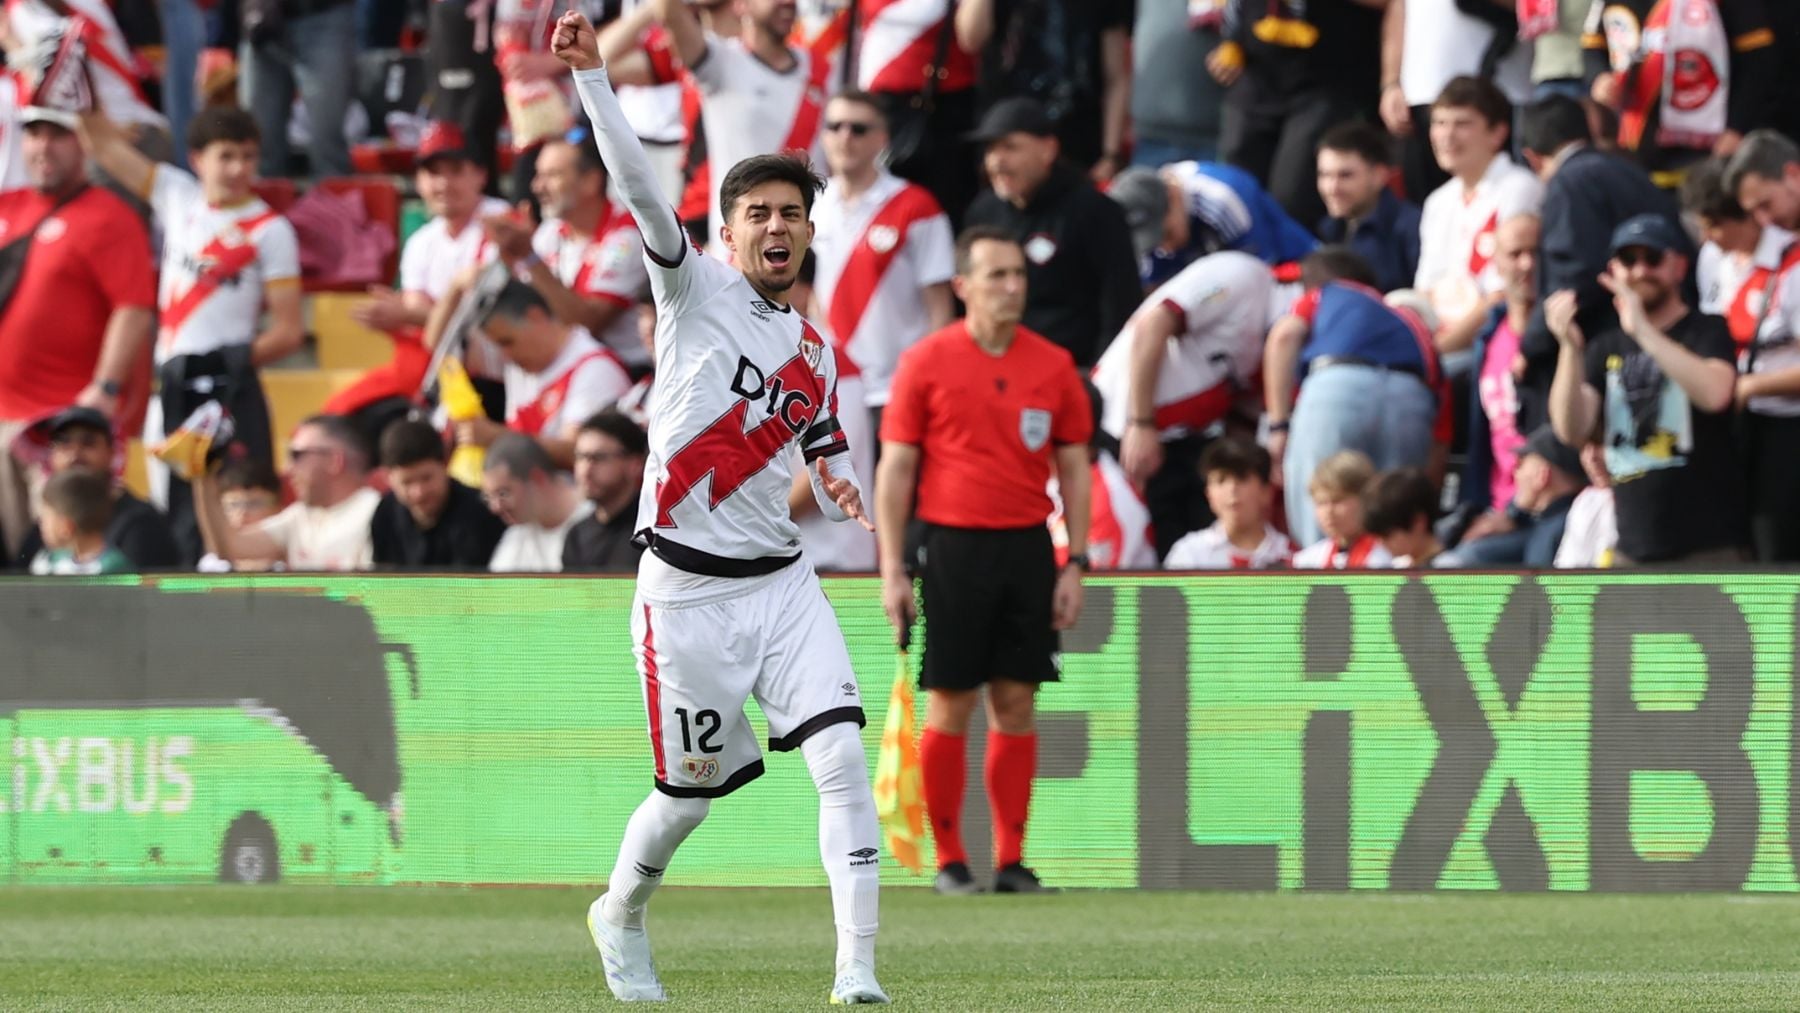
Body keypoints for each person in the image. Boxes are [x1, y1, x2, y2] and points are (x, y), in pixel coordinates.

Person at [556, 14, 888, 1004]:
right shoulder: (690, 288)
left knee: (840, 755)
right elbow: (636, 184)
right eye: (760, 214)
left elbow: (811, 418)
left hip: (782, 583)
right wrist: (590, 82)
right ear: (730, 228)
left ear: (808, 230)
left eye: (792, 212)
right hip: (686, 594)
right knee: (685, 798)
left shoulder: (816, 348)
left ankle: (858, 973)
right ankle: (618, 909)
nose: (777, 227)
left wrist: (829, 469)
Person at [875, 226, 1092, 896]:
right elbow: (896, 469)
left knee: (1017, 699)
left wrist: (1075, 559)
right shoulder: (925, 361)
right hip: (951, 546)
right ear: (963, 284)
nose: (1011, 286)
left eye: (1018, 274)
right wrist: (890, 566)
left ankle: (1013, 858)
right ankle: (950, 859)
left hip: (1027, 543)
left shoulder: (1053, 365)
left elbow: (1075, 467)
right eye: (996, 275)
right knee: (950, 701)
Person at [79, 105, 302, 565]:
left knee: (240, 507)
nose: (239, 169)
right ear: (197, 159)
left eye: (248, 157)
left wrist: (225, 362)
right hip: (173, 388)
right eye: (226, 156)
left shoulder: (271, 230)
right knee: (177, 512)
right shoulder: (175, 195)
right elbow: (101, 145)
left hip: (231, 392)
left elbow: (288, 332)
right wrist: (77, 94)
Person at [799, 90, 956, 571]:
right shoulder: (809, 208)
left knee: (897, 515)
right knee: (842, 511)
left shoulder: (915, 205)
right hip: (833, 390)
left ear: (882, 139)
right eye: (836, 127)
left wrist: (932, 389)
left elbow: (940, 308)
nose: (845, 137)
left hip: (894, 391)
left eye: (860, 128)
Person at [0, 106, 154, 561]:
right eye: (34, 134)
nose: (43, 146)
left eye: (58, 135)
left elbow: (134, 307)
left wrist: (104, 388)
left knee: (55, 553)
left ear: (84, 141)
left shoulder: (110, 216)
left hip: (58, 428)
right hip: (2, 419)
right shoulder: (10, 207)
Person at [1546, 213, 1746, 564]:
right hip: (1632, 544)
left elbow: (1716, 394)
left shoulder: (1706, 329)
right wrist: (1569, 349)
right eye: (1628, 260)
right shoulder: (1605, 345)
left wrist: (1643, 332)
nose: (1640, 271)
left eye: (1652, 259)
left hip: (1708, 544)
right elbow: (1571, 427)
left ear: (1679, 267)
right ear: (1613, 270)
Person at [1092, 250, 1282, 559]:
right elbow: (1153, 323)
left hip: (1183, 439)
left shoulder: (1267, 346)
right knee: (1128, 541)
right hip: (1122, 425)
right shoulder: (1243, 277)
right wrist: (1140, 422)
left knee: (1185, 543)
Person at [1264, 247, 1443, 548]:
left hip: (1338, 384)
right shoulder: (1412, 323)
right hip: (1412, 399)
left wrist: (1278, 426)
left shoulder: (1329, 293)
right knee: (1393, 527)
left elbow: (1284, 337)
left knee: (1323, 506)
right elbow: (1440, 439)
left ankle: (1320, 582)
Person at [1517, 95, 1673, 430]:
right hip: (1663, 333)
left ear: (1533, 158)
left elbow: (1574, 276)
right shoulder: (1626, 169)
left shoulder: (1569, 181)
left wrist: (1530, 346)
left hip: (1612, 345)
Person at [963, 97, 1141, 367]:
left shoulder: (1094, 211)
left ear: (1048, 150)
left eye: (1010, 148)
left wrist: (1099, 379)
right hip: (995, 368)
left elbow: (1119, 305)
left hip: (1072, 371)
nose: (997, 161)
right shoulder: (983, 212)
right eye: (990, 150)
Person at [650, 0, 830, 258]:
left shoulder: (820, 68)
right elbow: (668, 10)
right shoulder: (720, 61)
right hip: (741, 247)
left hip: (809, 243)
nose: (788, 3)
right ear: (741, 5)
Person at [358, 121, 513, 414]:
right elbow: (427, 321)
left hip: (504, 376)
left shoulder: (500, 222)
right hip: (452, 375)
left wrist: (405, 314)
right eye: (433, 173)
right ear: (418, 181)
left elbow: (488, 315)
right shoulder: (422, 241)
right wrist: (412, 313)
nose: (443, 184)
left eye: (456, 171)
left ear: (481, 175)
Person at [1204, 0, 1382, 228]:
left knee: (1293, 196)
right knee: (1236, 194)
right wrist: (1231, 40)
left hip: (1324, 81)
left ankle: (1295, 263)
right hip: (1255, 79)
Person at [483, 136, 651, 370]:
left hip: (626, 371)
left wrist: (528, 256)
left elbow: (587, 323)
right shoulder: (552, 231)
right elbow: (529, 305)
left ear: (591, 181)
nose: (536, 187)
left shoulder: (626, 238)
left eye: (552, 175)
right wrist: (508, 258)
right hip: (570, 366)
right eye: (538, 175)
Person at [1414, 76, 1544, 359]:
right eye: (1440, 123)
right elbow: (1425, 290)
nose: (1447, 135)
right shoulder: (1438, 202)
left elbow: (1503, 296)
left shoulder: (1519, 188)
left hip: (1492, 342)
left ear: (1497, 133)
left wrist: (1434, 355)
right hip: (1441, 342)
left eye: (1462, 124)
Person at [1581, 0, 1776, 186]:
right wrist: (1599, 78)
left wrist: (1736, 127)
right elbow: (1592, 46)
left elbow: (1757, 62)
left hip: (1709, 146)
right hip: (1636, 144)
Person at [453, 280, 633, 469]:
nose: (505, 356)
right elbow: (437, 350)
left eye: (507, 342)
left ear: (535, 317)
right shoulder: (520, 366)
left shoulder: (595, 370)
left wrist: (498, 438)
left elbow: (578, 456)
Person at [954, 0, 1134, 178]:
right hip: (1003, 139)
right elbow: (970, 39)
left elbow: (1116, 77)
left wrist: (1111, 155)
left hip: (1077, 143)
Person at [194, 414, 381, 572]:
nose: (289, 468)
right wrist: (202, 473)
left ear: (334, 461)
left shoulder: (376, 514)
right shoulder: (300, 516)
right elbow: (230, 547)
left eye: (297, 455)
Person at [852, 0, 981, 224]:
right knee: (872, 212)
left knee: (939, 212)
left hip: (941, 112)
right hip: (876, 105)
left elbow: (973, 38)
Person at [8, 406, 179, 572]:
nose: (75, 453)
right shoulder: (44, 527)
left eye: (88, 442)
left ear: (111, 452)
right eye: (64, 442)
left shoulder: (140, 523)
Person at [1107, 159, 1316, 288]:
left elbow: (1258, 282)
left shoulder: (1221, 201)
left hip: (1293, 270)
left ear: (1172, 197)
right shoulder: (1146, 216)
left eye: (1167, 234)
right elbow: (1148, 290)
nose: (1165, 248)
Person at [1460, 214, 1543, 518]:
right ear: (1496, 263)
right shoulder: (1489, 338)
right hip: (1495, 505)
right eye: (1515, 254)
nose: (1527, 264)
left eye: (1536, 252)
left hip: (1544, 505)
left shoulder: (1564, 335)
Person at [1682, 155, 1792, 350]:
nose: (1704, 238)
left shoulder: (1791, 257)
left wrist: (1749, 383)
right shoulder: (1711, 256)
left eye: (1713, 226)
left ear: (1748, 215)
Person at [237, 0, 355, 178]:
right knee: (259, 141)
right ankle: (264, 205)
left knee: (327, 140)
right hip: (260, 17)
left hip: (322, 14)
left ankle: (334, 205)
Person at [370, 418, 506, 570]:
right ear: (388, 478)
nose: (419, 493)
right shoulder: (385, 515)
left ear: (445, 464)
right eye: (407, 482)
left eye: (426, 478)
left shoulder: (481, 513)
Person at [1454, 425, 1588, 567]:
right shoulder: (1550, 525)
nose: (1516, 474)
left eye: (1521, 465)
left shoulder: (1563, 529)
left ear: (1541, 476)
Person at [1315, 121, 1422, 295]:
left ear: (1379, 176)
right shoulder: (1327, 230)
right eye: (1324, 175)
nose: (1332, 188)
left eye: (1345, 175)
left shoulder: (1411, 227)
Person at [1162, 436, 1293, 570]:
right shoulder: (1189, 555)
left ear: (1266, 491)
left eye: (1242, 478)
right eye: (1221, 480)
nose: (1232, 489)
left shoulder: (1291, 557)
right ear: (1208, 494)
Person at [480, 432, 591, 574]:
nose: (495, 507)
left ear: (537, 478)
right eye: (489, 497)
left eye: (503, 493)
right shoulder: (518, 535)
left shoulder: (594, 516)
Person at [562, 409, 649, 573]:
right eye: (580, 457)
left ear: (635, 465)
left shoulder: (653, 531)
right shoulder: (577, 536)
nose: (585, 470)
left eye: (599, 458)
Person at [1292, 450, 1393, 569]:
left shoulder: (1389, 559)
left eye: (1337, 500)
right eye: (1321, 503)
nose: (1328, 511)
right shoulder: (1307, 561)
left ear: (1365, 498)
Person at [28, 467, 132, 575]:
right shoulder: (47, 562)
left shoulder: (112, 569)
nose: (41, 524)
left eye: (45, 518)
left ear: (65, 527)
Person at [197, 457, 283, 572]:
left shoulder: (290, 561)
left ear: (277, 509)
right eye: (234, 505)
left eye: (254, 504)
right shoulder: (212, 566)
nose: (243, 513)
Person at [1363, 466, 1461, 567]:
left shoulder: (1450, 571)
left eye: (1387, 535)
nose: (1381, 543)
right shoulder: (1396, 566)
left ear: (1418, 522)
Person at [1552, 441, 1619, 567]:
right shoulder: (1585, 500)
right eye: (1584, 448)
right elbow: (1565, 565)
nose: (1591, 458)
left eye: (1600, 444)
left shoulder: (1643, 499)